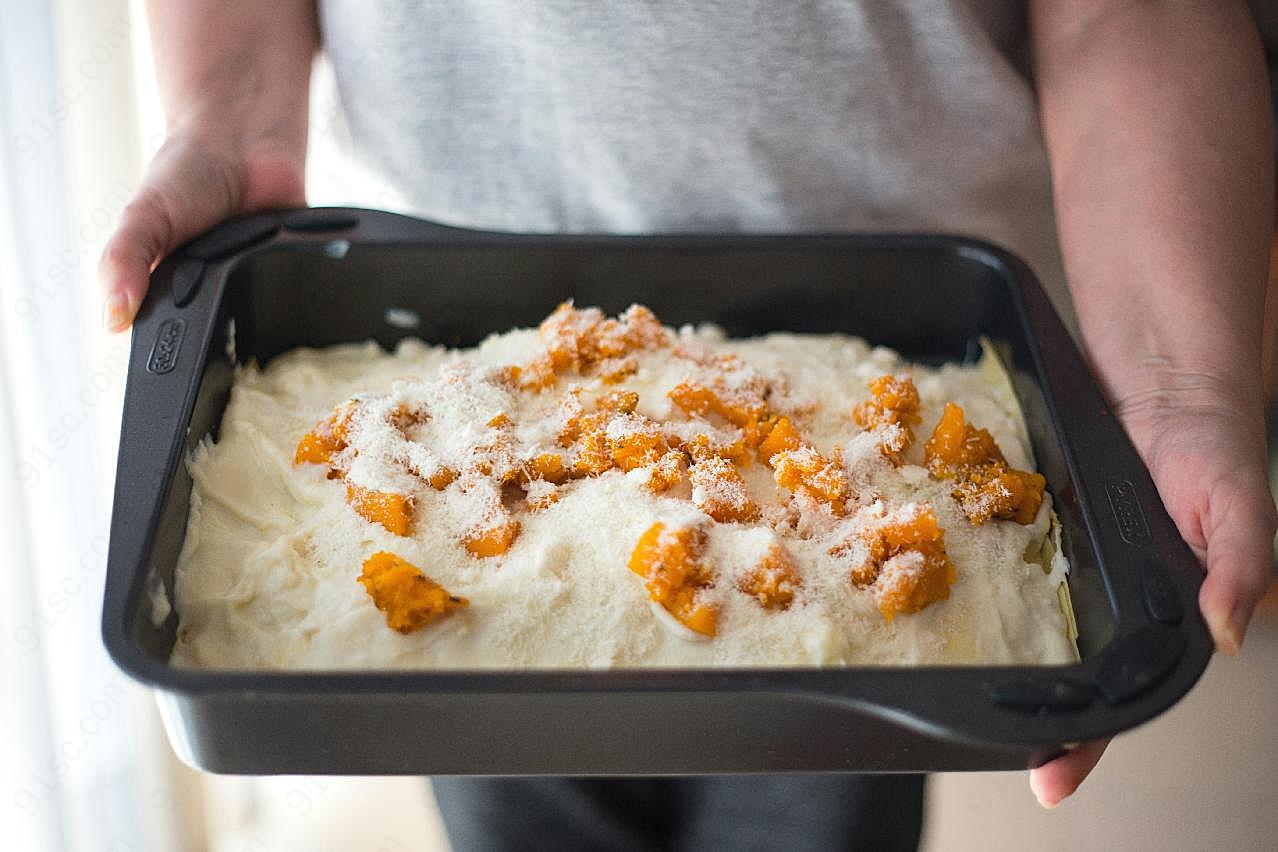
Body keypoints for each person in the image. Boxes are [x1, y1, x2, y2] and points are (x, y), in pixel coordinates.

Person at [101, 0, 1275, 846]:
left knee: (817, 816)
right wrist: (224, 116)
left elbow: (1136, 14)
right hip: (439, 320)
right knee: (516, 811)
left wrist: (1182, 384)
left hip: (891, 351)